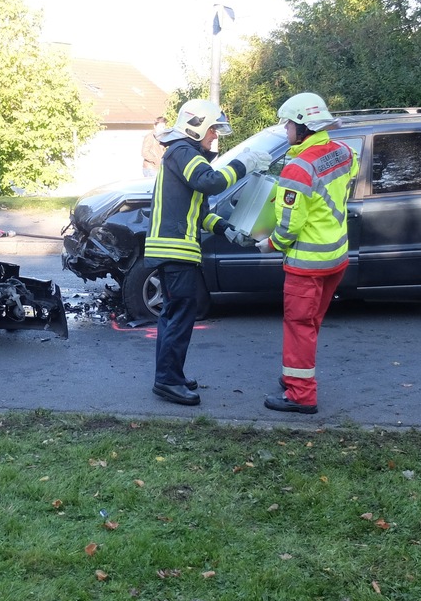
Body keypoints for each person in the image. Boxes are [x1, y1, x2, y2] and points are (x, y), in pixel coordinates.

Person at [255, 92, 359, 415]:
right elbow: (349, 174)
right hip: (336, 258)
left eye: (288, 124)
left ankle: (301, 395)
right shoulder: (343, 152)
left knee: (299, 326)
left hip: (307, 264)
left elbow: (290, 224)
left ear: (303, 127)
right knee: (310, 324)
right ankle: (293, 376)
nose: (285, 130)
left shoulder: (298, 168)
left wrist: (269, 244)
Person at [147, 99, 247, 405]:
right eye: (213, 130)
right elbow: (210, 182)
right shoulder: (183, 151)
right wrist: (244, 165)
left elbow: (200, 211)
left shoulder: (181, 154)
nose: (215, 136)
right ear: (197, 127)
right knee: (179, 317)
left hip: (172, 250)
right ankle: (167, 381)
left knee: (173, 316)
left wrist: (226, 229)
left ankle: (170, 375)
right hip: (175, 250)